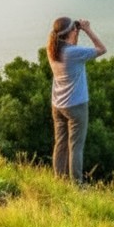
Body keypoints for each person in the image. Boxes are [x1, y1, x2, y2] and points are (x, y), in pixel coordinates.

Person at [46, 16, 107, 183]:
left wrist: (76, 31)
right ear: (70, 32)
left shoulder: (52, 49)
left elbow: (71, 46)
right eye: (74, 29)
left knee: (61, 144)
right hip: (76, 106)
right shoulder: (73, 53)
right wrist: (87, 30)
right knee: (76, 147)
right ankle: (77, 185)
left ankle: (59, 179)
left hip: (57, 105)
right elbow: (102, 49)